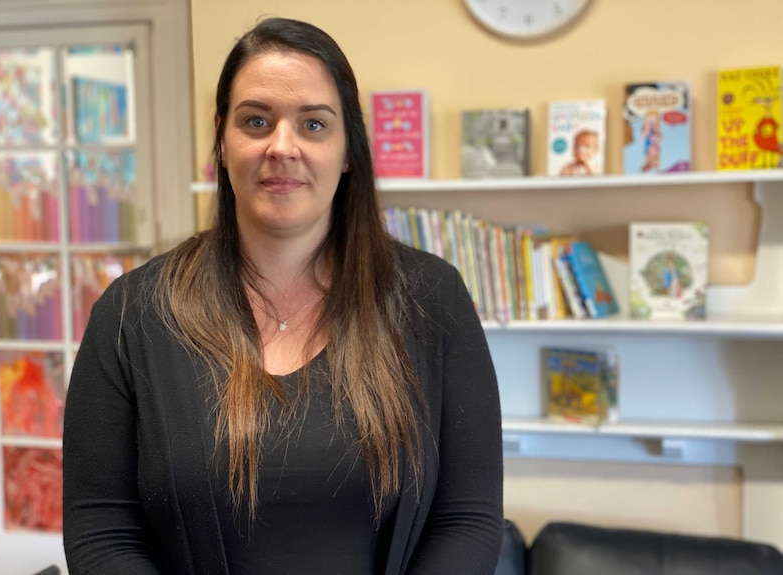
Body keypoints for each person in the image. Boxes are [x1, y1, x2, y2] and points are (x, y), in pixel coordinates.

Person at [63, 16, 503, 575]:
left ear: (348, 151)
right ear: (222, 143)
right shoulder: (131, 315)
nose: (282, 147)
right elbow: (101, 534)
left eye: (314, 125)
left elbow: (468, 520)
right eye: (256, 121)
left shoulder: (432, 298)